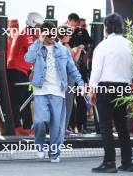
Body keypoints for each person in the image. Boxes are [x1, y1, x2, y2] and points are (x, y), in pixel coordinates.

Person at [25, 21, 84, 162]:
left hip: (58, 91)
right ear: (43, 33)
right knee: (40, 121)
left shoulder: (62, 50)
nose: (51, 36)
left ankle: (54, 154)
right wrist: (39, 41)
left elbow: (72, 68)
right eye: (47, 33)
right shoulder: (37, 48)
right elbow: (28, 58)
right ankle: (39, 145)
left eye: (53, 33)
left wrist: (81, 83)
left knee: (56, 126)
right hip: (40, 90)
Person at [89, 13, 133, 173]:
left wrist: (92, 89)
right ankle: (127, 162)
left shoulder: (103, 45)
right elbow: (132, 69)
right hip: (124, 87)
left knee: (106, 127)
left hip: (105, 88)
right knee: (123, 127)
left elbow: (96, 71)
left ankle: (109, 163)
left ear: (106, 27)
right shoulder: (130, 45)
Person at [7, 12, 43, 135]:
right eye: (38, 27)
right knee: (18, 99)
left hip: (22, 71)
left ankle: (27, 126)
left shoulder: (31, 36)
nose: (40, 30)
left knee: (25, 98)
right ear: (32, 25)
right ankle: (16, 126)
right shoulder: (26, 34)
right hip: (15, 70)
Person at [67, 13, 93, 133]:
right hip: (69, 71)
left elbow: (90, 45)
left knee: (81, 99)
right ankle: (69, 125)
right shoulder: (64, 32)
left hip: (81, 70)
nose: (79, 27)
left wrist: (83, 47)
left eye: (82, 25)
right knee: (69, 99)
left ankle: (82, 126)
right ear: (70, 21)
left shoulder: (83, 33)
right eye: (77, 24)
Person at [58, 25, 84, 134]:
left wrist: (78, 50)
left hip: (69, 77)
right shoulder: (60, 47)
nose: (70, 36)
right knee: (65, 104)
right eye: (68, 34)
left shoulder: (66, 46)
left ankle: (63, 128)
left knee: (68, 105)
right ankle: (61, 129)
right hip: (66, 78)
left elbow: (74, 61)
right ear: (63, 35)